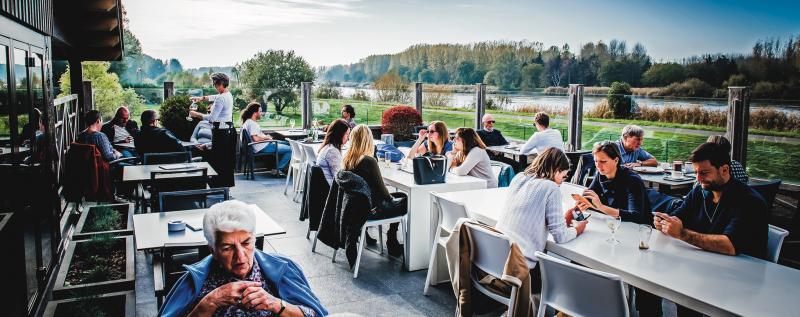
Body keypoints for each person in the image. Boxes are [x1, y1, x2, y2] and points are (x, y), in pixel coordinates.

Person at [651, 142, 767, 317]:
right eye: (696, 172)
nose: (698, 179)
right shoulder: (700, 191)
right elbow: (678, 215)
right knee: (658, 282)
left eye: (704, 173)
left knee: (682, 289)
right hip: (705, 266)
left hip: (742, 279)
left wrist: (681, 233)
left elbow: (730, 245)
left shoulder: (748, 201)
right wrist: (665, 222)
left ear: (725, 170)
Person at [159, 200, 327, 317]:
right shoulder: (194, 282)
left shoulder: (284, 268)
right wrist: (211, 301)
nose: (240, 256)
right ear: (213, 250)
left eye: (246, 243)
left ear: (254, 239)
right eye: (227, 248)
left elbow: (316, 314)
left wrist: (276, 304)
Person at [495, 147, 587, 291]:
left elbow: (530, 220)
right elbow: (560, 237)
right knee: (567, 281)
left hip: (497, 259)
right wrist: (578, 229)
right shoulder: (551, 187)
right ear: (556, 170)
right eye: (563, 176)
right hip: (520, 269)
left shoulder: (519, 177)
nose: (561, 183)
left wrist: (564, 219)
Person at [343, 124, 408, 256]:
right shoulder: (369, 161)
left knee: (400, 194)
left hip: (356, 208)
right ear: (368, 140)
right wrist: (391, 200)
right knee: (406, 201)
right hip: (371, 209)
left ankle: (392, 240)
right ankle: (392, 240)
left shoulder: (347, 160)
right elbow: (384, 192)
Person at [578, 141, 653, 225]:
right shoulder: (600, 174)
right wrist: (582, 202)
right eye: (596, 161)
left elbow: (636, 216)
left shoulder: (633, 181)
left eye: (603, 161)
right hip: (614, 223)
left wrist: (601, 207)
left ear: (616, 160)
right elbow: (589, 197)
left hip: (638, 229)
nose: (598, 166)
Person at [190, 73, 235, 187]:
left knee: (218, 160)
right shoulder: (228, 94)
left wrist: (195, 114)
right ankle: (223, 186)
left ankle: (217, 186)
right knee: (224, 160)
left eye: (214, 83)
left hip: (221, 132)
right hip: (227, 131)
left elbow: (211, 119)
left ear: (220, 84)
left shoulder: (221, 98)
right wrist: (201, 98)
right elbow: (215, 97)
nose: (214, 85)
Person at [241, 102, 292, 171]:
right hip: (263, 147)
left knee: (288, 144)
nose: (261, 113)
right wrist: (267, 137)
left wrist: (266, 137)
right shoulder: (252, 124)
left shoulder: (248, 122)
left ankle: (279, 168)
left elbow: (255, 136)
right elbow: (255, 139)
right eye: (260, 111)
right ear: (255, 113)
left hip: (263, 144)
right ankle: (278, 169)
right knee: (291, 149)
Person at [317, 119, 350, 185]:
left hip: (326, 186)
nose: (348, 137)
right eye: (346, 134)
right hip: (331, 190)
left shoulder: (328, 147)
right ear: (339, 134)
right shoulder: (332, 151)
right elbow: (340, 178)